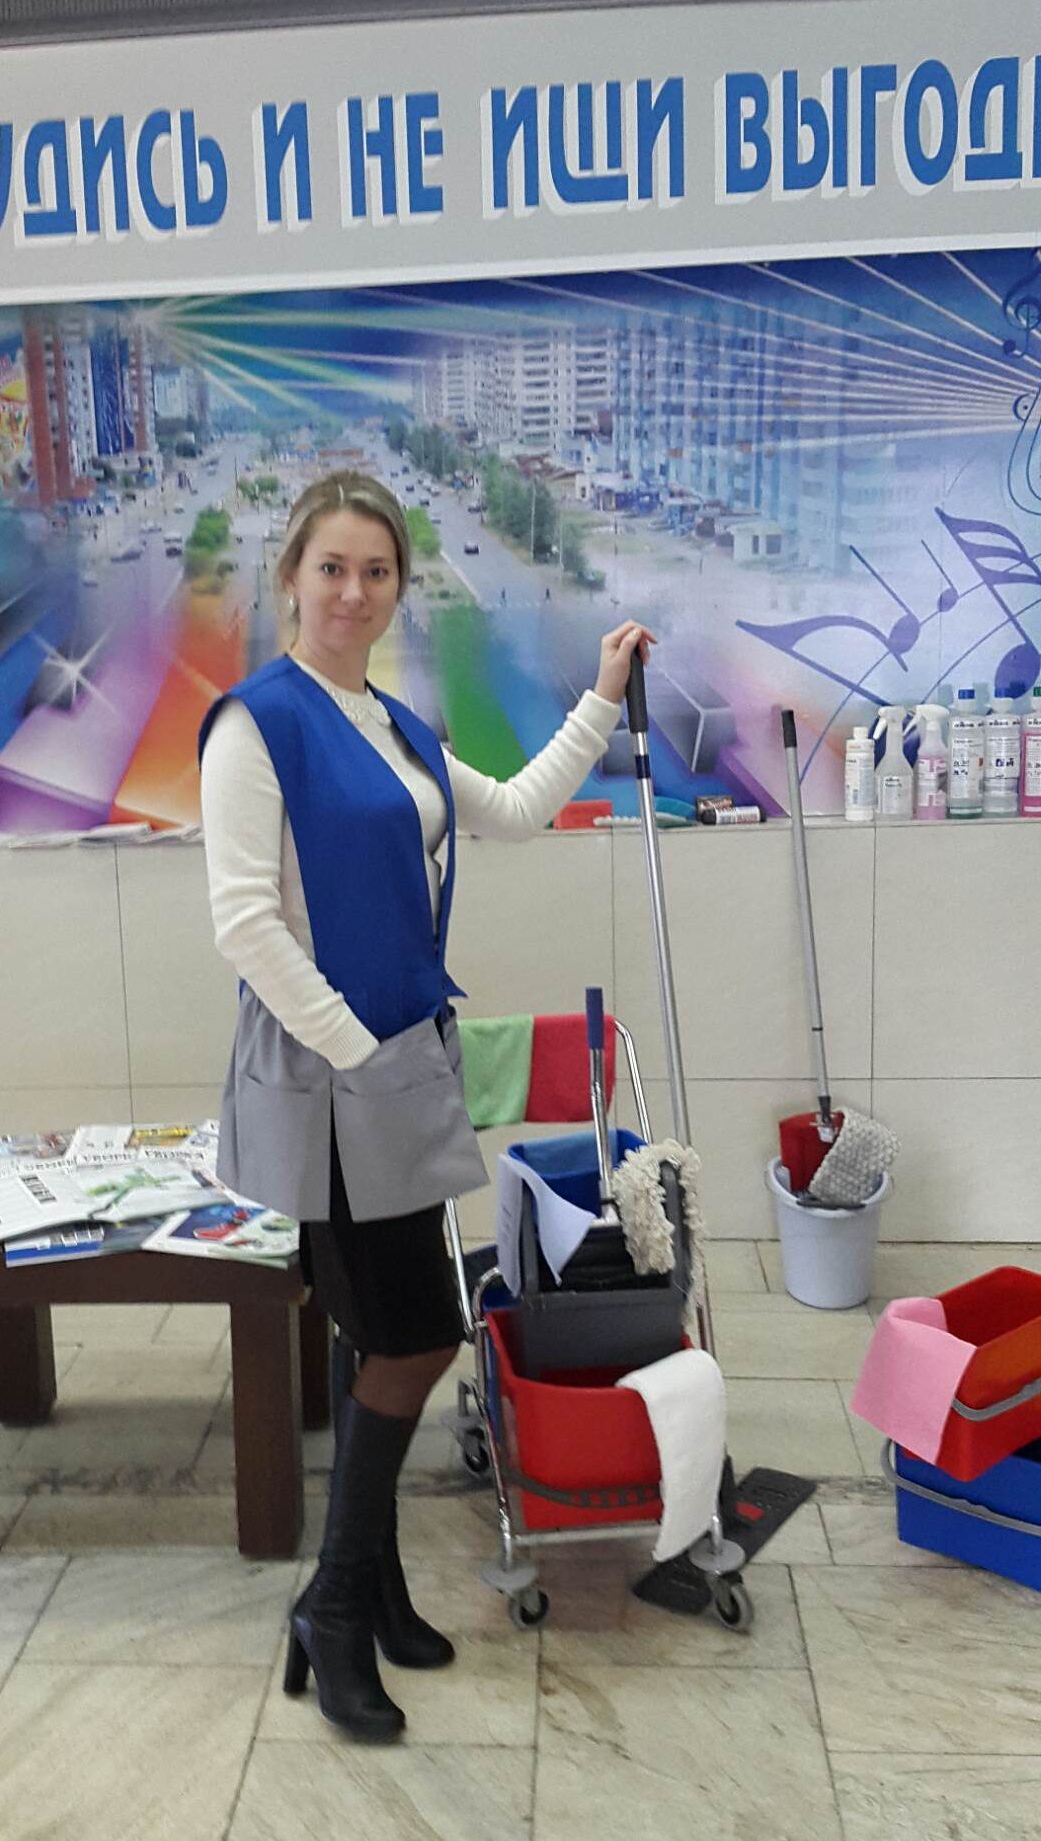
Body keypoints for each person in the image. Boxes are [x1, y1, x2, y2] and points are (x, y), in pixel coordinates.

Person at [198, 471, 654, 1742]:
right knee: (413, 1335)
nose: (353, 591)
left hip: (394, 1063)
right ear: (290, 578)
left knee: (376, 1331)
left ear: (398, 585)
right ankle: (334, 1606)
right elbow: (244, 922)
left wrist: (598, 696)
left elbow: (511, 812)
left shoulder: (388, 723)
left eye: (376, 570)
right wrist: (361, 1055)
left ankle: (376, 1587)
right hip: (332, 1075)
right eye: (331, 567)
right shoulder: (255, 724)